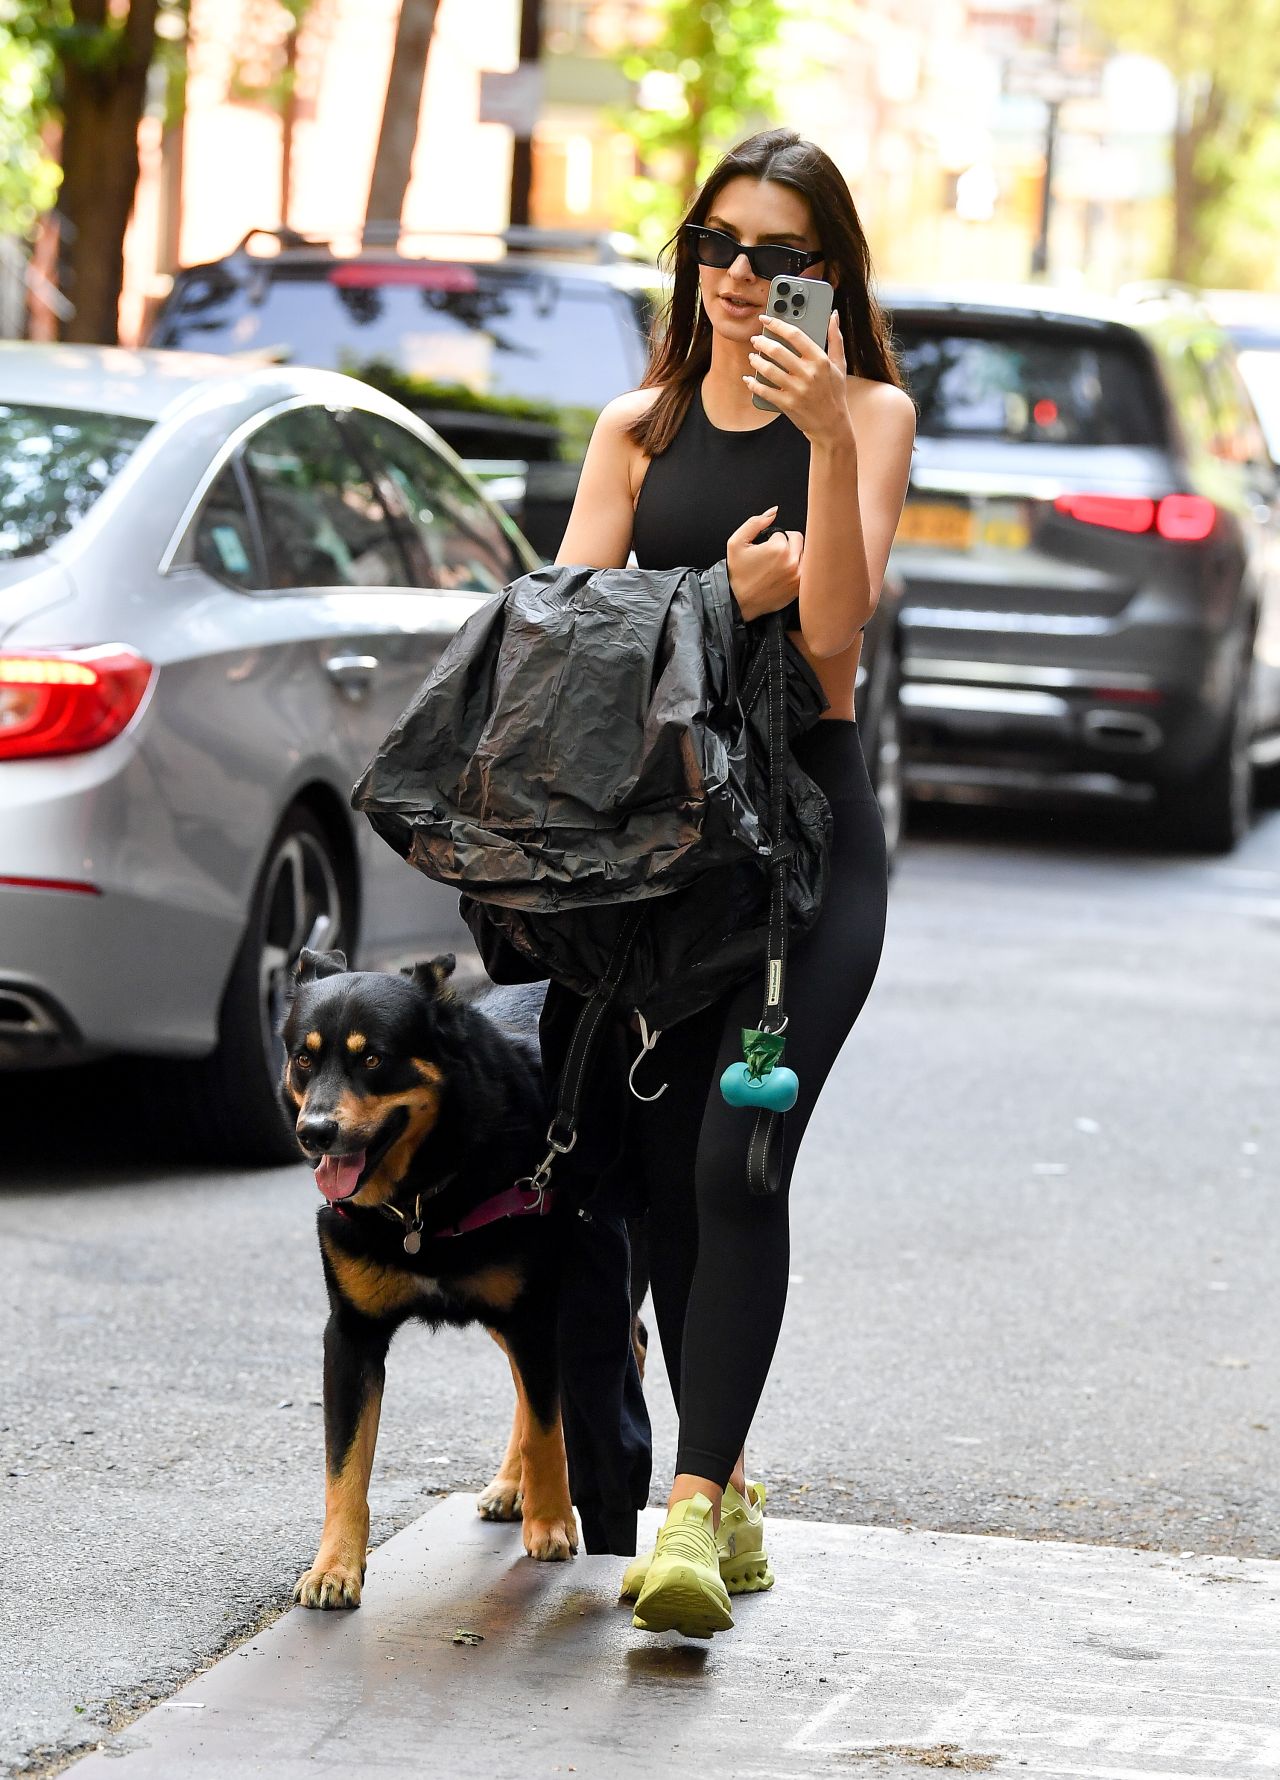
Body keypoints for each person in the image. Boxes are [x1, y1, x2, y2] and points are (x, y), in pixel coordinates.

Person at [546, 126, 916, 1638]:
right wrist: (710, 596)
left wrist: (825, 445)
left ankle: (689, 1523)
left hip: (808, 852)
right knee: (646, 1186)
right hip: (658, 854)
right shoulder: (633, 430)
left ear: (831, 280)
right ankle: (734, 1475)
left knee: (735, 1160)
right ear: (686, 259)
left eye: (780, 256)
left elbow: (832, 646)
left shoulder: (872, 416)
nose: (743, 278)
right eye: (718, 245)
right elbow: (568, 646)